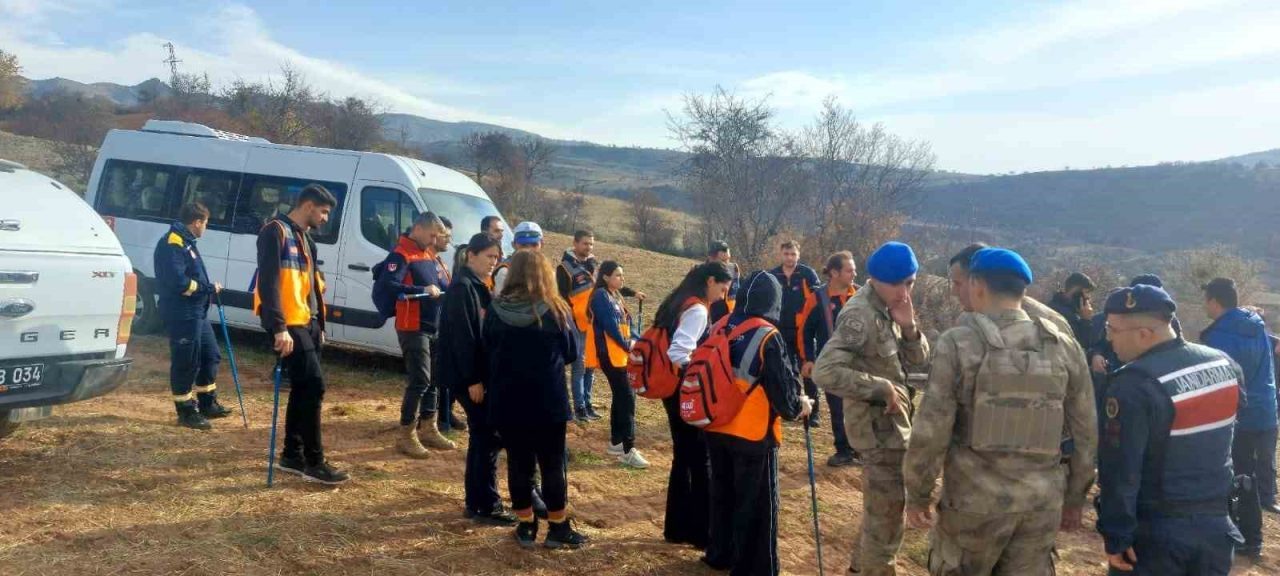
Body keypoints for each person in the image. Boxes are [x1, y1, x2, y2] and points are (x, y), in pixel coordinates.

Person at [903, 248, 1098, 575]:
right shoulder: (1063, 345)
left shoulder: (959, 343)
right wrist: (1075, 498)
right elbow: (1086, 433)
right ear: (1022, 290)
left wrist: (918, 494)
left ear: (977, 285)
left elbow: (931, 430)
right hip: (1040, 506)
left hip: (973, 506)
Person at [1096, 284, 1244, 575]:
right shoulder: (1224, 363)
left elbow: (1121, 470)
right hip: (1217, 527)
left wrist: (1117, 535)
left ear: (1144, 334)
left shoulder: (1132, 385)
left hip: (1157, 536)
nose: (1108, 338)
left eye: (1112, 329)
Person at [812, 241, 930, 576]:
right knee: (886, 525)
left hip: (897, 426)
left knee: (882, 514)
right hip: (878, 432)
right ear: (876, 279)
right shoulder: (860, 315)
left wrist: (910, 329)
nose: (904, 292)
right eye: (897, 284)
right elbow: (824, 372)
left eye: (910, 283)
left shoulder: (894, 307)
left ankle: (858, 569)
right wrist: (879, 387)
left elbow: (919, 365)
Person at [702, 270, 813, 575]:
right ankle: (753, 569)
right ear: (774, 300)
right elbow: (784, 399)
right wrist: (801, 405)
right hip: (752, 433)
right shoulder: (767, 335)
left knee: (723, 495)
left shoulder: (721, 324)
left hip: (715, 426)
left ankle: (719, 554)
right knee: (757, 507)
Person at [484, 250, 589, 549]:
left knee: (519, 464)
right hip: (548, 401)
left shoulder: (495, 310)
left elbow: (487, 348)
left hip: (508, 400)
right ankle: (558, 527)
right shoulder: (557, 309)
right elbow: (571, 353)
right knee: (552, 464)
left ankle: (526, 525)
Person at [254, 183, 350, 484]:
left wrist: (319, 325)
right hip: (289, 324)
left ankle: (292, 455)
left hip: (308, 322)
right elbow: (268, 282)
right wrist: (279, 328)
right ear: (308, 206)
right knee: (314, 386)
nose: (325, 218)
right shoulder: (275, 231)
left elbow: (312, 286)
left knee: (301, 388)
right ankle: (314, 462)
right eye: (323, 212)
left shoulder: (306, 239)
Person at [438, 233, 516, 524]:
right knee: (487, 437)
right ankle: (486, 505)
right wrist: (473, 379)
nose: (493, 262)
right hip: (467, 376)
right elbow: (464, 337)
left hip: (475, 374)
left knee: (483, 437)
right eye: (489, 256)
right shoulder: (463, 288)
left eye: (497, 257)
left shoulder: (479, 285)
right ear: (471, 255)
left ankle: (477, 502)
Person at [654, 261, 733, 549]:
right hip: (685, 391)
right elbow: (678, 351)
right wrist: (698, 379)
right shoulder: (698, 309)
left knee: (683, 457)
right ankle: (701, 532)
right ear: (710, 281)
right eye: (723, 288)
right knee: (700, 460)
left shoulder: (676, 300)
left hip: (671, 389)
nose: (724, 294)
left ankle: (676, 527)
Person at [1201, 277, 1278, 554]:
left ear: (1214, 301)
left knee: (1237, 474)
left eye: (1206, 300)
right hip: (1266, 410)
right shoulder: (1256, 326)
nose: (1204, 306)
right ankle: (1247, 533)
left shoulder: (1220, 336)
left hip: (1238, 415)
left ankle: (1247, 537)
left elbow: (1221, 383)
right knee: (1249, 472)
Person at [373, 212, 457, 457]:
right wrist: (421, 289)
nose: (434, 241)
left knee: (434, 379)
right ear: (418, 229)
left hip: (433, 325)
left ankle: (428, 427)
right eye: (431, 235)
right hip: (412, 326)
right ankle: (406, 434)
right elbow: (388, 285)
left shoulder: (428, 255)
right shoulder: (400, 255)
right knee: (420, 380)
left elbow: (443, 285)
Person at [153, 202, 230, 430]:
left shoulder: (187, 241)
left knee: (210, 355)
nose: (206, 227)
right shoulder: (172, 244)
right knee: (186, 361)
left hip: (197, 312)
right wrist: (208, 289)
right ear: (197, 222)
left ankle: (207, 403)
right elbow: (179, 283)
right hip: (182, 313)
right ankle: (186, 411)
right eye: (205, 223)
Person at [557, 230, 643, 422]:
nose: (588, 247)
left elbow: (609, 283)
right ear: (575, 243)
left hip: (594, 323)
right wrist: (569, 321)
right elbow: (562, 298)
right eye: (585, 243)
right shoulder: (564, 268)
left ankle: (587, 404)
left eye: (591, 244)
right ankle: (579, 407)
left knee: (590, 366)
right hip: (578, 324)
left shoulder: (594, 265)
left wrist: (632, 292)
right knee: (579, 366)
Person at [797, 251, 860, 467]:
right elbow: (804, 331)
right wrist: (807, 359)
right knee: (838, 408)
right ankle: (843, 450)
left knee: (860, 407)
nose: (854, 274)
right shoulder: (817, 298)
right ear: (834, 272)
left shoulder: (860, 296)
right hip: (833, 363)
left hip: (860, 363)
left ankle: (860, 449)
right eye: (849, 270)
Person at [586, 261, 649, 469]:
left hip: (621, 354)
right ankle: (629, 449)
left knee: (622, 396)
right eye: (618, 275)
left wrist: (639, 341)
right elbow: (610, 326)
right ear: (605, 277)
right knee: (627, 398)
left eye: (622, 275)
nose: (622, 279)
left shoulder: (615, 295)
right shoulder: (600, 296)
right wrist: (627, 344)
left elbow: (625, 324)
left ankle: (617, 442)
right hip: (611, 355)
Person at [770, 240, 821, 425]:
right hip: (780, 330)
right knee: (787, 371)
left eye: (793, 254)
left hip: (804, 331)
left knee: (808, 370)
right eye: (786, 254)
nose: (789, 258)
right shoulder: (772, 275)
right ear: (780, 254)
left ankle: (814, 413)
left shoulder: (807, 274)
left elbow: (818, 300)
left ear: (798, 255)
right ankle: (794, 408)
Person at [1048, 271, 1096, 348]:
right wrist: (1086, 320)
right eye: (1087, 292)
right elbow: (1080, 345)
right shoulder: (1062, 314)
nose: (1088, 297)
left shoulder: (1069, 310)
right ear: (1076, 292)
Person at [493, 220, 542, 293]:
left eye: (534, 245)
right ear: (513, 245)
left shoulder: (547, 272)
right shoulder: (505, 272)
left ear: (542, 244)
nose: (529, 249)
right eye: (523, 245)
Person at [706, 240, 740, 323]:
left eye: (728, 259)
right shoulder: (701, 272)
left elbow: (735, 292)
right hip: (708, 317)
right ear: (710, 259)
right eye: (723, 261)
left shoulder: (734, 268)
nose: (726, 264)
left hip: (729, 317)